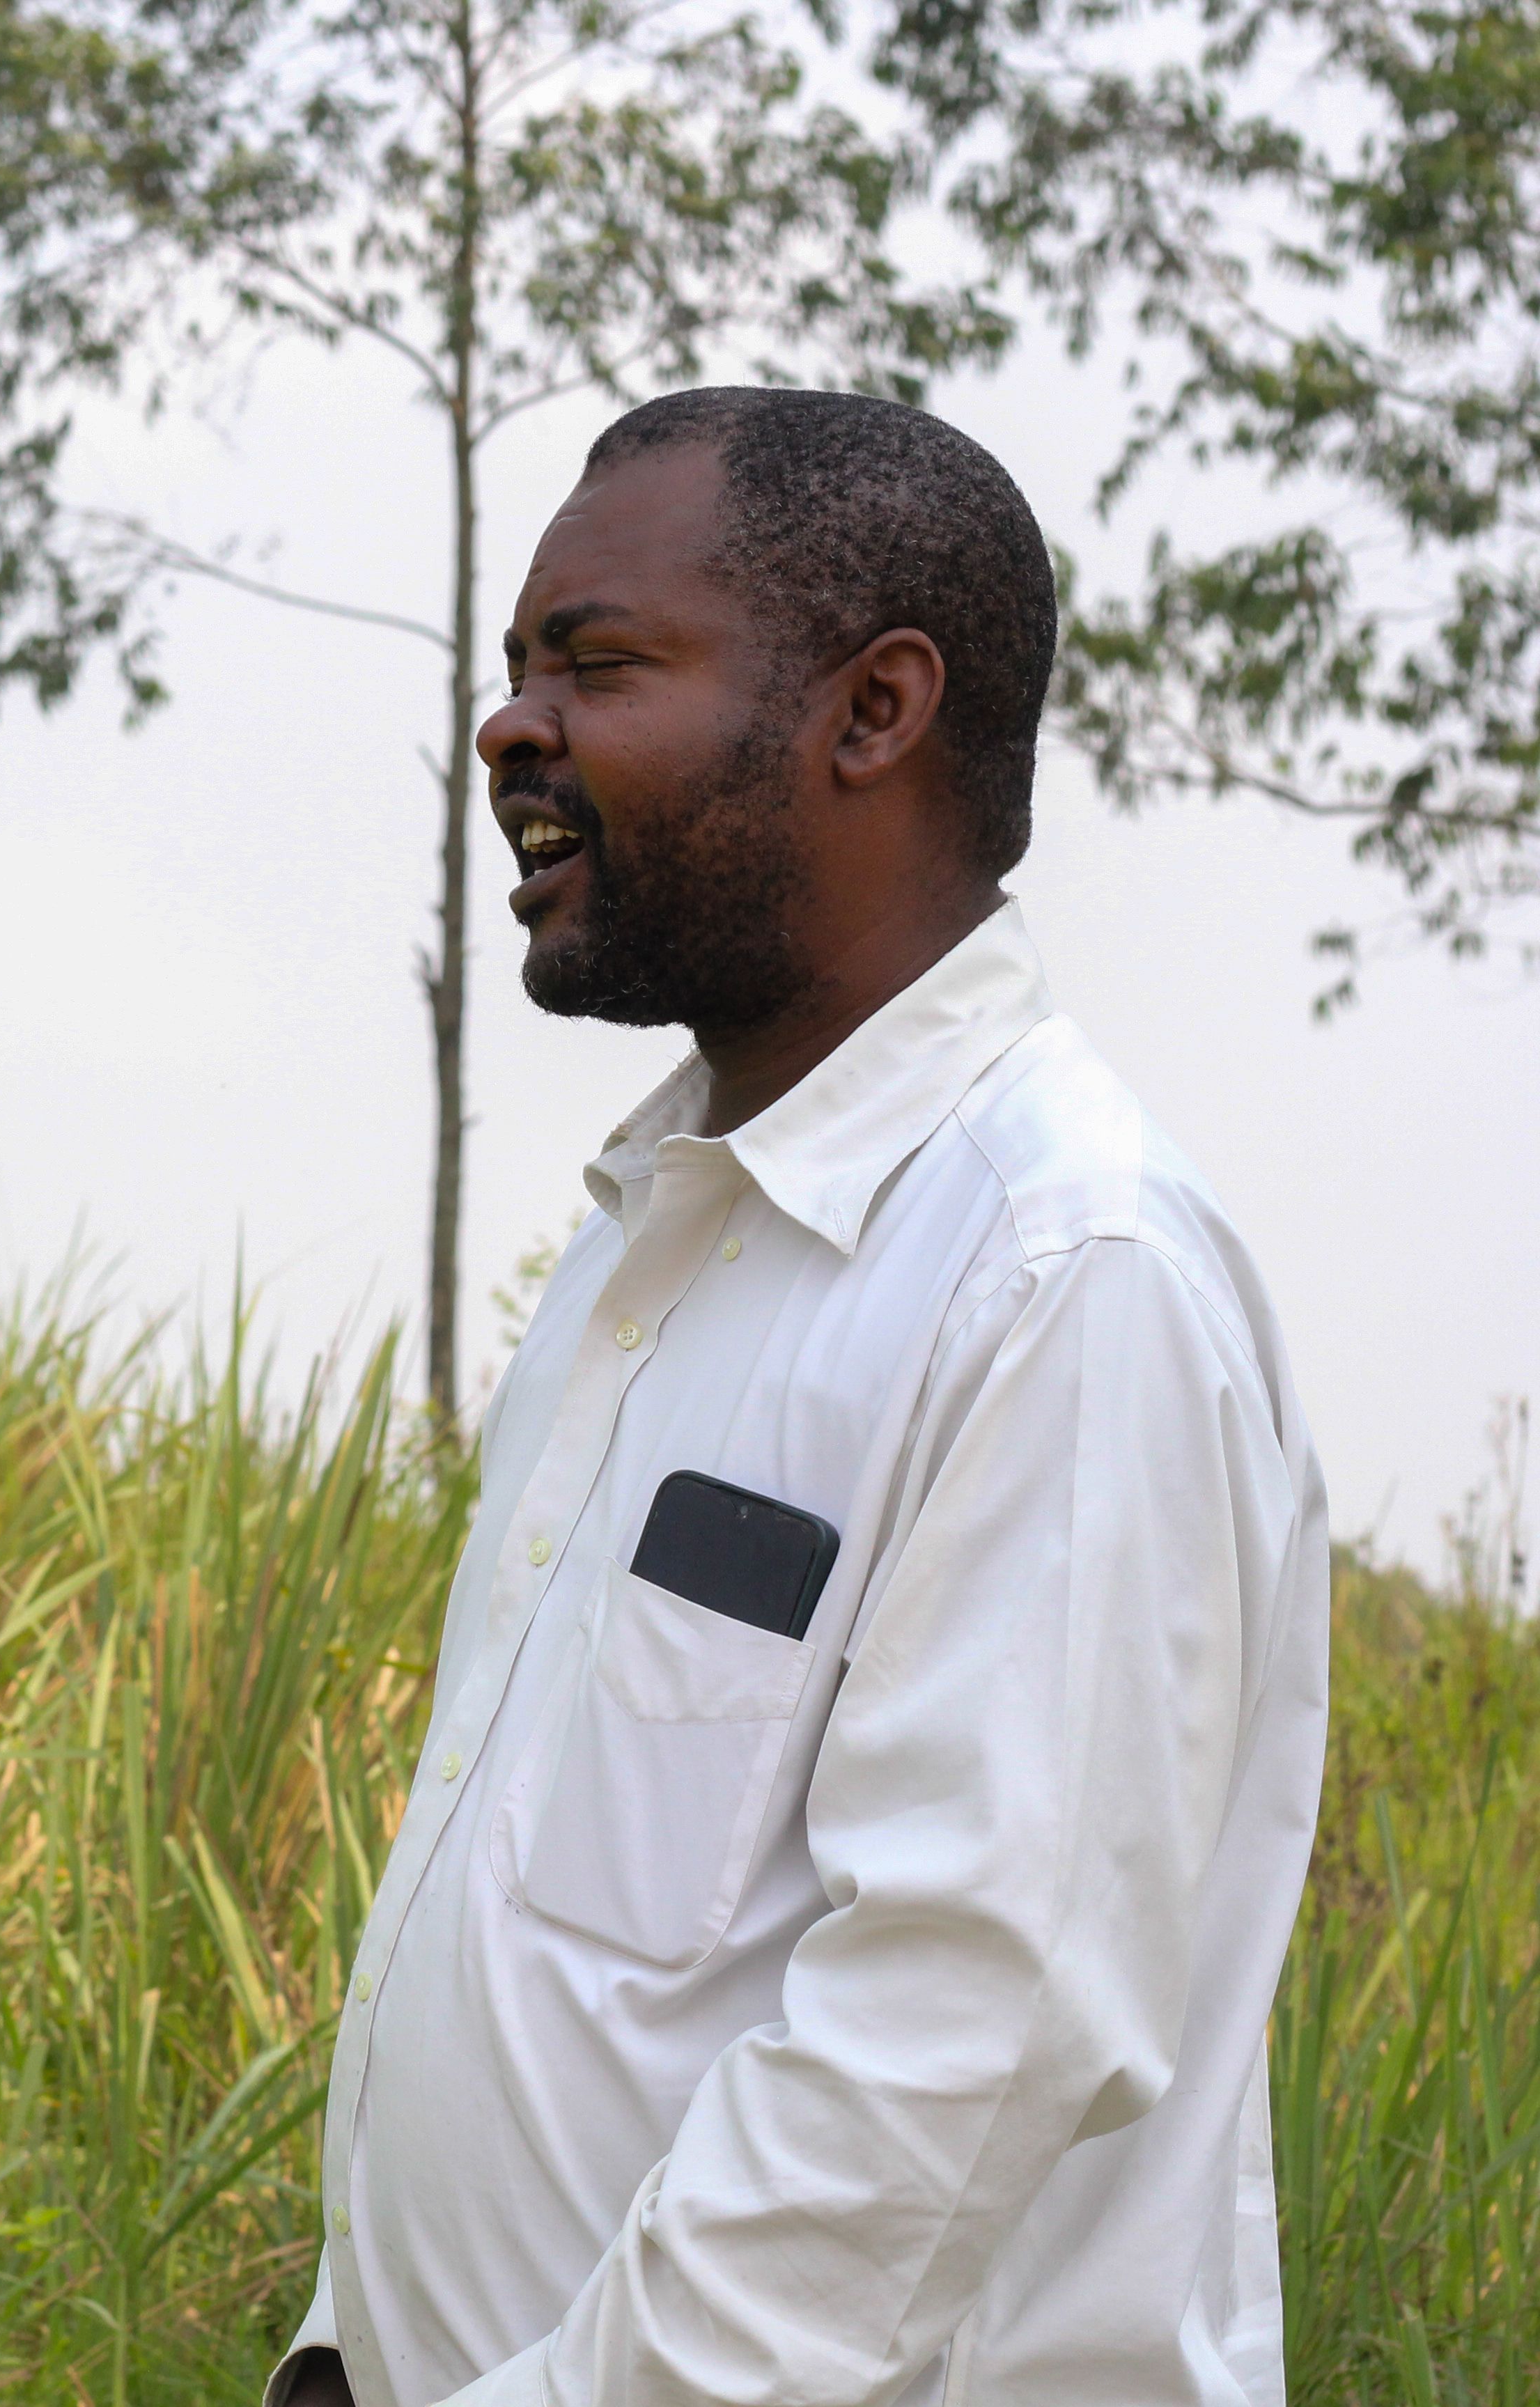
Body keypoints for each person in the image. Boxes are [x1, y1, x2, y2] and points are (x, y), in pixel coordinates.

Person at [269, 390, 1329, 2407]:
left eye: (595, 662)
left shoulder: (1066, 1275)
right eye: (514, 669)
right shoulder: (654, 1246)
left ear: (873, 712)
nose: (509, 729)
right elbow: (538, 1941)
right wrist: (353, 2341)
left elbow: (955, 2050)